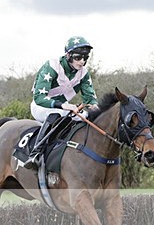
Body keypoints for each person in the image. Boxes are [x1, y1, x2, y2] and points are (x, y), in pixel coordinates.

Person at [24, 35, 100, 169]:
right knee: (57, 113)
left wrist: (97, 109)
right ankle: (35, 153)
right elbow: (39, 98)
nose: (82, 62)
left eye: (85, 58)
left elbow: (90, 99)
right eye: (78, 58)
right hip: (41, 106)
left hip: (64, 108)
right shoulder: (52, 66)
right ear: (68, 55)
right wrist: (64, 105)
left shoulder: (83, 73)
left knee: (87, 117)